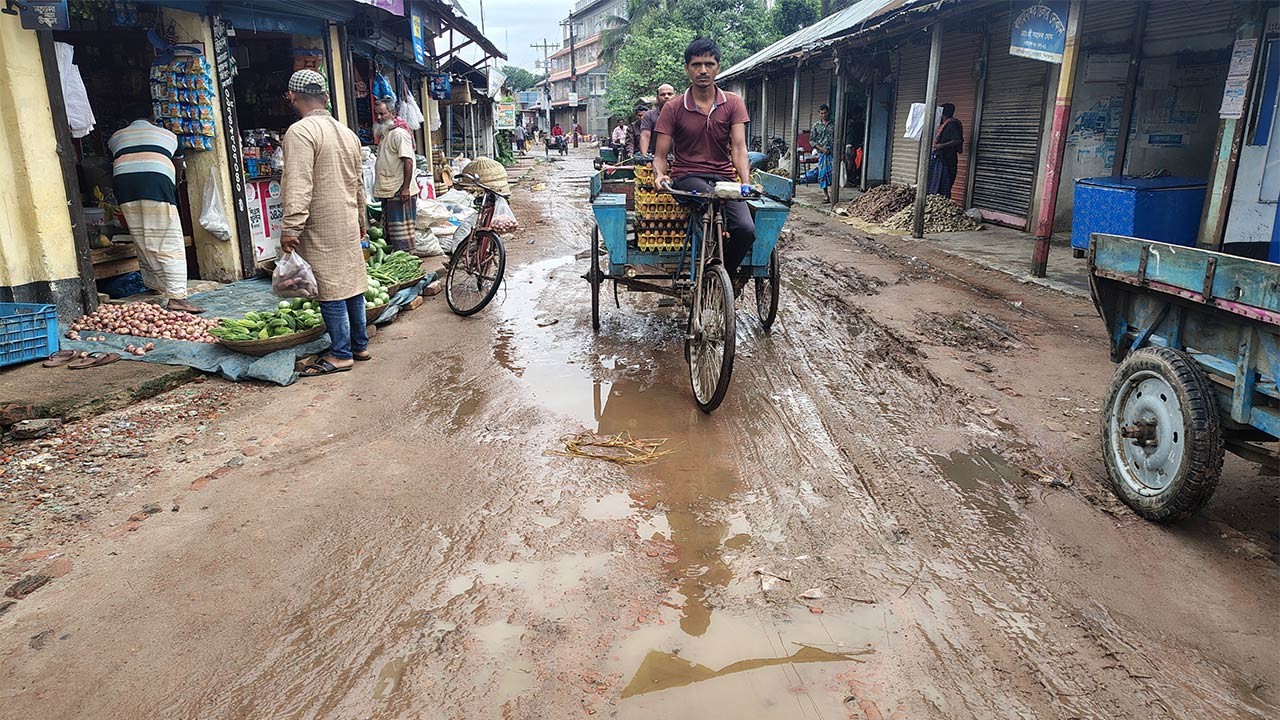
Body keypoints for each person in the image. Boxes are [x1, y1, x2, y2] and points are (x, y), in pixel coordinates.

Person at [279, 69, 370, 377]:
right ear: (326, 97)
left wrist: (291, 227)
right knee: (351, 282)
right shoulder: (347, 133)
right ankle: (359, 344)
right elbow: (359, 184)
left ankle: (341, 353)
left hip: (320, 221)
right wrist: (361, 219)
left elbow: (298, 183)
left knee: (330, 286)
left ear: (293, 97)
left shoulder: (301, 132)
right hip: (346, 218)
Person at [653, 37, 755, 288]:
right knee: (711, 198)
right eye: (696, 64)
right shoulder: (673, 108)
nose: (703, 70)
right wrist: (659, 175)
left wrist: (745, 183)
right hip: (687, 177)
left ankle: (721, 280)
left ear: (718, 67)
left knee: (746, 230)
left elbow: (739, 148)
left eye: (709, 64)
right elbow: (660, 155)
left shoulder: (733, 103)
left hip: (724, 178)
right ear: (687, 68)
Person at [108, 118, 202, 313]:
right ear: (152, 121)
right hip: (156, 181)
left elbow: (116, 160)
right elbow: (177, 164)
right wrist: (173, 185)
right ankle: (177, 297)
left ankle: (154, 284)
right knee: (168, 238)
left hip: (124, 184)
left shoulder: (116, 136)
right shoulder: (169, 136)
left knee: (141, 234)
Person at [372, 97, 417, 254]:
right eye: (376, 114)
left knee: (402, 235)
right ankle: (399, 259)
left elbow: (408, 161)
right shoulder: (386, 133)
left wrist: (405, 188)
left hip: (399, 190)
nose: (379, 117)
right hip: (389, 190)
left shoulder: (398, 133)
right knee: (392, 232)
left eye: (382, 114)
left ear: (392, 113)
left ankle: (408, 260)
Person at [930, 102, 964, 198]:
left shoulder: (952, 125)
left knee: (943, 187)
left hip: (947, 160)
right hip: (942, 159)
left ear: (942, 113)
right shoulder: (944, 124)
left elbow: (958, 140)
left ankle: (942, 202)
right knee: (936, 185)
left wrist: (941, 146)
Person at [639, 83, 677, 156]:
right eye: (662, 94)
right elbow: (645, 136)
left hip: (681, 157)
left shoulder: (682, 114)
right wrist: (644, 156)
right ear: (657, 97)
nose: (666, 97)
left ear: (675, 96)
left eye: (669, 94)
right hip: (657, 156)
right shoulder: (649, 115)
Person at [809, 104, 834, 203]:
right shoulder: (816, 126)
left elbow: (839, 138)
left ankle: (834, 194)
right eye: (821, 113)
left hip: (833, 153)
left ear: (828, 112)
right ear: (819, 114)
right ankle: (826, 195)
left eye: (825, 113)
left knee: (833, 174)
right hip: (822, 154)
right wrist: (821, 149)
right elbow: (812, 141)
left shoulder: (834, 124)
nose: (824, 115)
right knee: (823, 175)